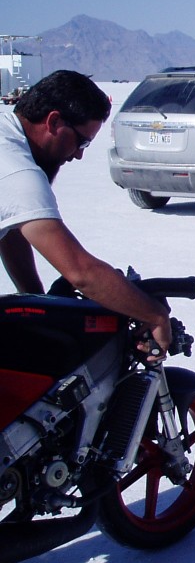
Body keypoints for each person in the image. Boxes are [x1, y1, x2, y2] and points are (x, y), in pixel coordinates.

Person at [0, 70, 172, 353]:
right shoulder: (17, 171)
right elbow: (81, 272)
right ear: (54, 121)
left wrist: (37, 300)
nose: (79, 155)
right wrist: (154, 315)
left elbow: (13, 231)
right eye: (82, 142)